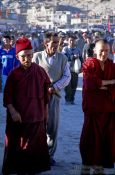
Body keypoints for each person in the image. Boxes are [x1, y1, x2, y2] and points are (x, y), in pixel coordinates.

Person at [2, 37, 51, 175]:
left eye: (30, 55)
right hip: (20, 120)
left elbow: (46, 96)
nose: (27, 59)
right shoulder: (14, 75)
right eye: (23, 56)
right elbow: (7, 97)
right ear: (17, 57)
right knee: (19, 149)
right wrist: (13, 112)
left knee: (35, 150)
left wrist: (45, 113)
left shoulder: (40, 71)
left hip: (37, 117)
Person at [32, 32, 71, 165]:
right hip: (37, 97)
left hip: (54, 96)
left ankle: (49, 155)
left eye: (57, 42)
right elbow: (31, 76)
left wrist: (55, 87)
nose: (56, 44)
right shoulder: (36, 57)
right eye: (53, 42)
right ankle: (37, 154)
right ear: (45, 43)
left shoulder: (62, 58)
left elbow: (67, 77)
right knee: (38, 125)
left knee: (52, 127)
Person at [80, 39, 115, 175]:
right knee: (90, 139)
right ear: (94, 50)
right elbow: (91, 83)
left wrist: (101, 84)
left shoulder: (111, 65)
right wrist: (111, 82)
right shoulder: (90, 63)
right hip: (93, 109)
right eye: (101, 50)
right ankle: (86, 166)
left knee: (105, 139)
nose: (104, 53)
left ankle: (99, 167)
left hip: (108, 110)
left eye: (106, 51)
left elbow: (100, 84)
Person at [62, 35, 82, 105]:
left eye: (73, 40)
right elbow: (64, 58)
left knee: (74, 85)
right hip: (66, 70)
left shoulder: (78, 50)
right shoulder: (65, 49)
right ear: (68, 41)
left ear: (75, 41)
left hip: (75, 70)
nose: (71, 42)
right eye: (70, 40)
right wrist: (73, 57)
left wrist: (81, 67)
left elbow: (81, 60)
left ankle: (72, 99)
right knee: (67, 85)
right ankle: (67, 99)